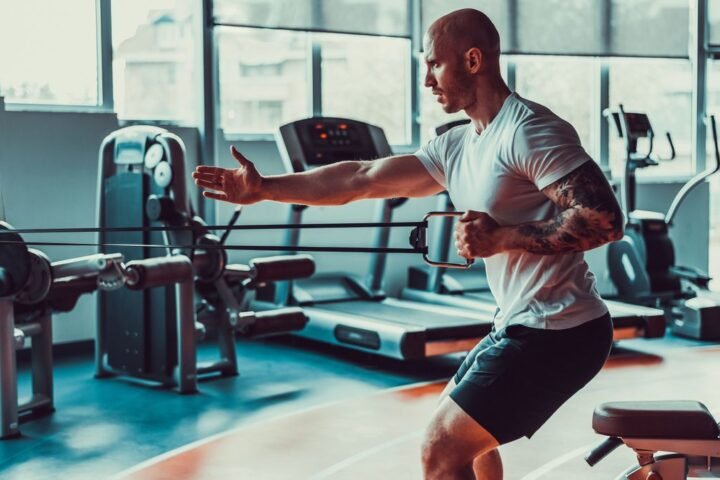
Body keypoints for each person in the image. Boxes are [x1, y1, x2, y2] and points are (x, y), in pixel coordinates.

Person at [192, 8, 623, 480]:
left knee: (441, 450)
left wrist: (502, 237)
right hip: (521, 322)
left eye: (434, 64)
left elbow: (602, 219)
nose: (426, 80)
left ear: (473, 60)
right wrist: (265, 189)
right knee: (470, 441)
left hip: (560, 332)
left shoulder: (530, 131)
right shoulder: (459, 144)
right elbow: (362, 178)